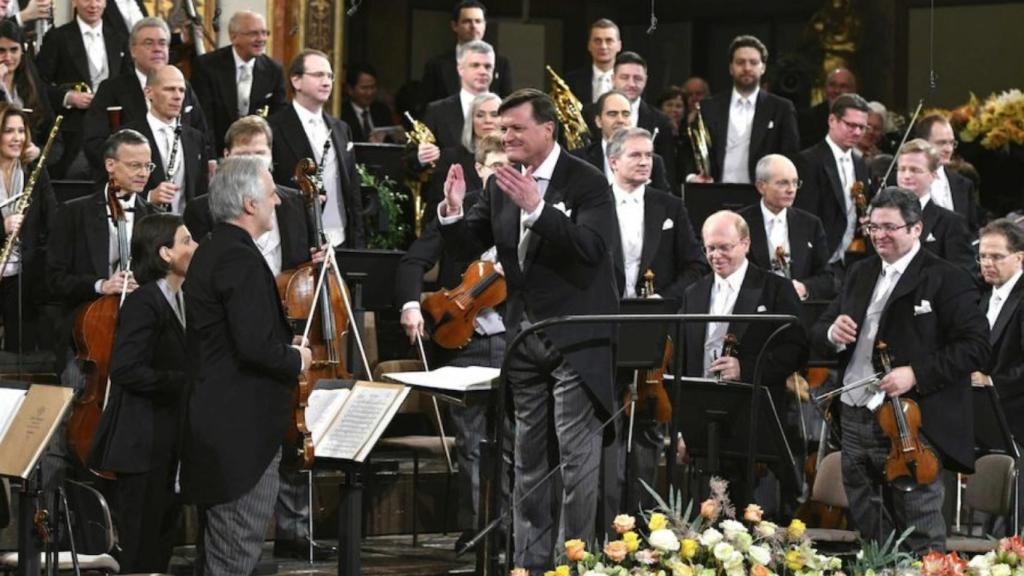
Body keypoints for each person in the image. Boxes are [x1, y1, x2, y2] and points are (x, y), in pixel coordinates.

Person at [438, 88, 618, 571]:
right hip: (523, 339)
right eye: (503, 128)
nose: (507, 136)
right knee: (528, 461)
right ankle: (528, 563)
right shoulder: (500, 181)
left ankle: (572, 564)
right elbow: (470, 243)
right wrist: (453, 211)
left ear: (548, 130)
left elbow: (593, 250)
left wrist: (538, 211)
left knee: (578, 464)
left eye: (517, 128)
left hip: (575, 338)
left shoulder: (587, 182)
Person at [813, 186, 989, 553]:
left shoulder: (947, 277)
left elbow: (975, 346)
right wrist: (833, 332)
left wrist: (917, 374)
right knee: (869, 522)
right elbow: (823, 325)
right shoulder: (860, 272)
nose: (879, 235)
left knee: (920, 525)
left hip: (911, 419)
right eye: (873, 227)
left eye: (890, 227)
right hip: (854, 413)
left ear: (916, 229)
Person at [181, 155, 312, 574]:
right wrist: (297, 357)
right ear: (249, 204)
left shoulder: (214, 248)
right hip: (240, 437)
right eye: (271, 192)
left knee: (221, 556)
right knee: (233, 558)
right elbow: (253, 347)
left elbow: (238, 334)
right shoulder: (237, 256)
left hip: (220, 427)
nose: (278, 200)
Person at [396, 132, 507, 551]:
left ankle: (509, 525)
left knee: (514, 441)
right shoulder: (458, 212)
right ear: (480, 170)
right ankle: (475, 527)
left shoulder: (529, 213)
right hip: (465, 340)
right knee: (471, 443)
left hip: (514, 339)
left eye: (510, 168)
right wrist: (411, 305)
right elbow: (413, 261)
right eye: (495, 167)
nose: (503, 175)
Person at [604, 127, 706, 516]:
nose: (646, 161)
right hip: (607, 328)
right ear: (613, 162)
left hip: (654, 335)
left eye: (649, 155)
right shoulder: (595, 204)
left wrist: (663, 300)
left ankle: (644, 523)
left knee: (648, 428)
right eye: (636, 155)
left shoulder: (669, 206)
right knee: (608, 422)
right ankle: (606, 524)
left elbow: (695, 266)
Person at [678, 210, 807, 511]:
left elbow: (796, 349)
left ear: (745, 244)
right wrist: (686, 428)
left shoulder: (775, 289)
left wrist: (746, 368)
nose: (715, 255)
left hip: (755, 425)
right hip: (706, 426)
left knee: (755, 523)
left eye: (724, 247)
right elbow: (684, 361)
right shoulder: (693, 294)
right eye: (710, 247)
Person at [87, 213, 195, 573]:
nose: (194, 248)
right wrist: (183, 380)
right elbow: (125, 369)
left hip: (169, 441)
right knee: (140, 546)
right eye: (186, 241)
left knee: (162, 541)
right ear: (165, 253)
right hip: (142, 443)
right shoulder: (144, 302)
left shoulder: (184, 299)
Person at [83, 17, 211, 176]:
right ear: (133, 51)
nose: (157, 49)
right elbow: (94, 143)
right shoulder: (111, 89)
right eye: (149, 43)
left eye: (162, 43)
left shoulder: (184, 87)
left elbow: (202, 137)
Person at [268, 49, 364, 249]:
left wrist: (358, 240)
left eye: (330, 76)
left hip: (342, 239)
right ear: (296, 81)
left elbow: (352, 188)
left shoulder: (341, 128)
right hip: (297, 239)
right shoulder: (274, 127)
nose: (327, 81)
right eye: (318, 75)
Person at [35, 0, 129, 179]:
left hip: (111, 131)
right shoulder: (58, 37)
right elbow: (38, 83)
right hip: (72, 134)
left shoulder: (119, 38)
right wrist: (68, 97)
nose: (93, 5)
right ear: (75, 2)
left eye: (99, 0)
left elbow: (127, 81)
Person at [690, 35, 799, 184]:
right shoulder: (709, 107)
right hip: (714, 192)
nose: (747, 68)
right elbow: (692, 153)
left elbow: (791, 157)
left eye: (753, 63)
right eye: (740, 62)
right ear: (731, 68)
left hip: (763, 195)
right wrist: (692, 177)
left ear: (763, 68)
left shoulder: (781, 108)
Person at [974, 219, 1024, 530]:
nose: (987, 263)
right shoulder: (983, 296)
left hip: (1017, 415)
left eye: (996, 256)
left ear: (1020, 257)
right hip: (991, 415)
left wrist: (991, 382)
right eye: (982, 256)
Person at [739, 154, 837, 300]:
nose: (791, 189)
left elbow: (827, 279)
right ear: (761, 186)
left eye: (795, 183)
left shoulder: (811, 224)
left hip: (798, 314)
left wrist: (805, 288)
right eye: (782, 183)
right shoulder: (739, 223)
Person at [191, 10, 287, 155]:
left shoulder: (274, 70)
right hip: (218, 153)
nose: (261, 39)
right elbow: (203, 119)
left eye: (265, 33)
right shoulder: (206, 66)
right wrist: (209, 157)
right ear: (233, 37)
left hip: (258, 154)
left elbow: (279, 117)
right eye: (253, 33)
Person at [0, 103, 55, 352]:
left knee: (20, 347)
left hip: (24, 275)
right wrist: (2, 226)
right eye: (8, 131)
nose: (17, 138)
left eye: (21, 131)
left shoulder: (34, 168)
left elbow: (53, 216)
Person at [794, 93, 872, 264]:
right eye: (851, 125)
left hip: (852, 259)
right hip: (820, 259)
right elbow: (804, 217)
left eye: (862, 127)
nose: (857, 132)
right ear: (832, 120)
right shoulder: (808, 161)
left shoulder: (861, 163)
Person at [121, 65, 210, 214]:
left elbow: (201, 191)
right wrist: (148, 197)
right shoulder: (127, 136)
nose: (177, 96)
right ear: (148, 92)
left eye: (181, 90)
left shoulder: (195, 138)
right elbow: (114, 188)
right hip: (144, 228)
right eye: (169, 89)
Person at [584, 52, 676, 188]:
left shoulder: (661, 121)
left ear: (646, 79)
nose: (631, 84)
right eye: (625, 77)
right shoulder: (588, 113)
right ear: (613, 78)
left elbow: (668, 179)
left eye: (637, 78)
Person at [894, 138, 975, 275]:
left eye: (915, 170)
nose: (906, 176)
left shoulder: (951, 223)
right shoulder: (880, 217)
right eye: (902, 169)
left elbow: (964, 276)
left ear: (933, 175)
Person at [420, 91, 500, 219]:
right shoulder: (450, 158)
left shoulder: (515, 159)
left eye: (494, 115)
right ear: (471, 121)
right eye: (480, 115)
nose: (488, 120)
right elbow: (435, 210)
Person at [573, 90, 671, 191]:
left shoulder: (653, 162)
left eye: (625, 114)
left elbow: (665, 203)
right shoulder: (579, 160)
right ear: (598, 121)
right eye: (612, 114)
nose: (620, 120)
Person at [419, 0, 511, 103]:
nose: (473, 26)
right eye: (467, 21)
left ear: (484, 25)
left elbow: (508, 107)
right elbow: (427, 108)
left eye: (478, 21)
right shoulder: (436, 65)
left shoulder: (501, 64)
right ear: (454, 26)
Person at [419, 39, 494, 153]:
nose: (483, 71)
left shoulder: (506, 110)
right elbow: (412, 157)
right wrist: (422, 157)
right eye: (475, 65)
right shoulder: (437, 111)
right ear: (460, 69)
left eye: (488, 66)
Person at [917, 113, 981, 234]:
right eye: (941, 143)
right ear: (922, 143)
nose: (948, 149)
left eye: (951, 143)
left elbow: (972, 231)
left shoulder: (964, 185)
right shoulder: (905, 182)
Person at [0, 20, 58, 151]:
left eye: (14, 50)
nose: (8, 57)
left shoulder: (32, 83)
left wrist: (38, 151)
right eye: (1, 51)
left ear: (22, 51)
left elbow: (51, 133)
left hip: (28, 163)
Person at [563, 18, 621, 104]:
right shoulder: (570, 81)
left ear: (619, 45)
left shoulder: (630, 81)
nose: (603, 46)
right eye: (598, 41)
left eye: (609, 41)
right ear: (589, 45)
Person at [797, 67, 857, 149]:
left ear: (853, 90)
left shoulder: (862, 119)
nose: (837, 90)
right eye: (832, 85)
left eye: (843, 86)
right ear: (825, 88)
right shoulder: (808, 119)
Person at [340, 63, 395, 143]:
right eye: (364, 88)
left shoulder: (382, 111)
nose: (369, 93)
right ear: (350, 89)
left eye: (372, 87)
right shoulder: (341, 113)